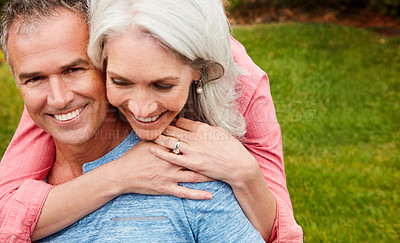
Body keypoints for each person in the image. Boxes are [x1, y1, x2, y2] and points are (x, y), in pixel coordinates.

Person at [0, 0, 303, 242]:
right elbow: (6, 218)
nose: (58, 98)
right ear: (103, 58)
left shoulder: (243, 84)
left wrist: (245, 172)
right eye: (121, 80)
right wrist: (120, 175)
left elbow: (281, 234)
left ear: (200, 69)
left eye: (162, 84)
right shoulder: (56, 87)